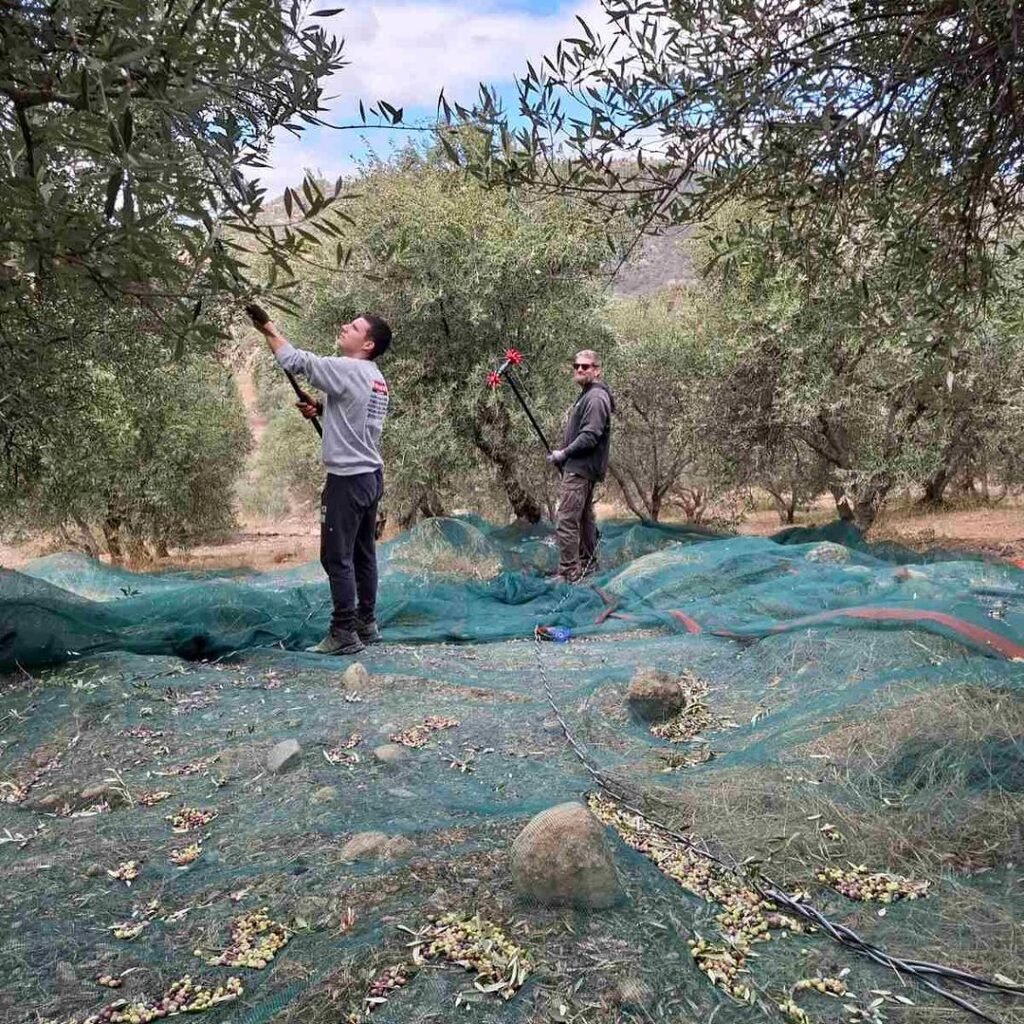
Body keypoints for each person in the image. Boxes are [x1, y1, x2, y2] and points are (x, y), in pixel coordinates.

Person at [246, 304, 392, 654]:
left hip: (347, 480)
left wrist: (268, 328)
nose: (345, 327)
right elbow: (354, 412)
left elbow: (295, 361)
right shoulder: (375, 378)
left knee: (335, 557)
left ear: (367, 344)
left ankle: (343, 632)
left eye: (354, 327)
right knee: (362, 554)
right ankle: (365, 623)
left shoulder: (347, 368)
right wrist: (324, 409)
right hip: (370, 476)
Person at [546, 349, 614, 581]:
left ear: (597, 370)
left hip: (580, 469)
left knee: (565, 519)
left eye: (585, 366)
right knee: (584, 518)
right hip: (580, 467)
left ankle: (568, 572)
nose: (580, 370)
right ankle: (587, 565)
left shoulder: (595, 397)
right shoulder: (588, 394)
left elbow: (590, 436)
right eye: (576, 366)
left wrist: (563, 454)